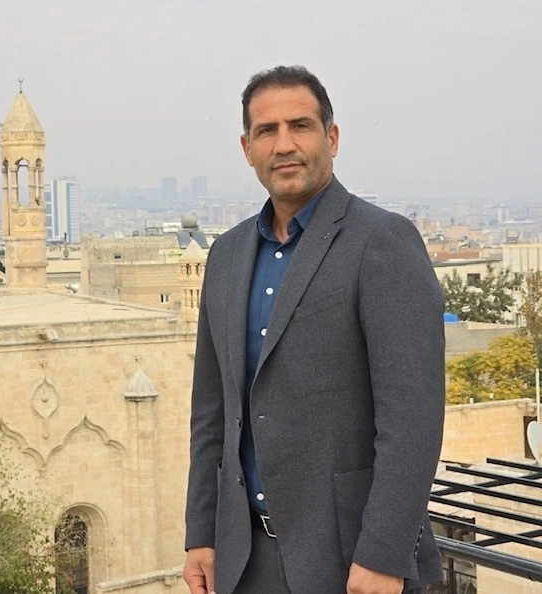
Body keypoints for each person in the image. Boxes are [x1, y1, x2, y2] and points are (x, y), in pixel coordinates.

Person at [183, 65, 445, 594]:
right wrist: (202, 534)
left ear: (332, 138)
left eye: (300, 126)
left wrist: (384, 554)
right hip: (243, 561)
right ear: (247, 148)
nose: (284, 144)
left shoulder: (381, 241)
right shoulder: (227, 255)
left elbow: (412, 418)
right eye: (266, 130)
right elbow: (212, 411)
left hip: (351, 563)